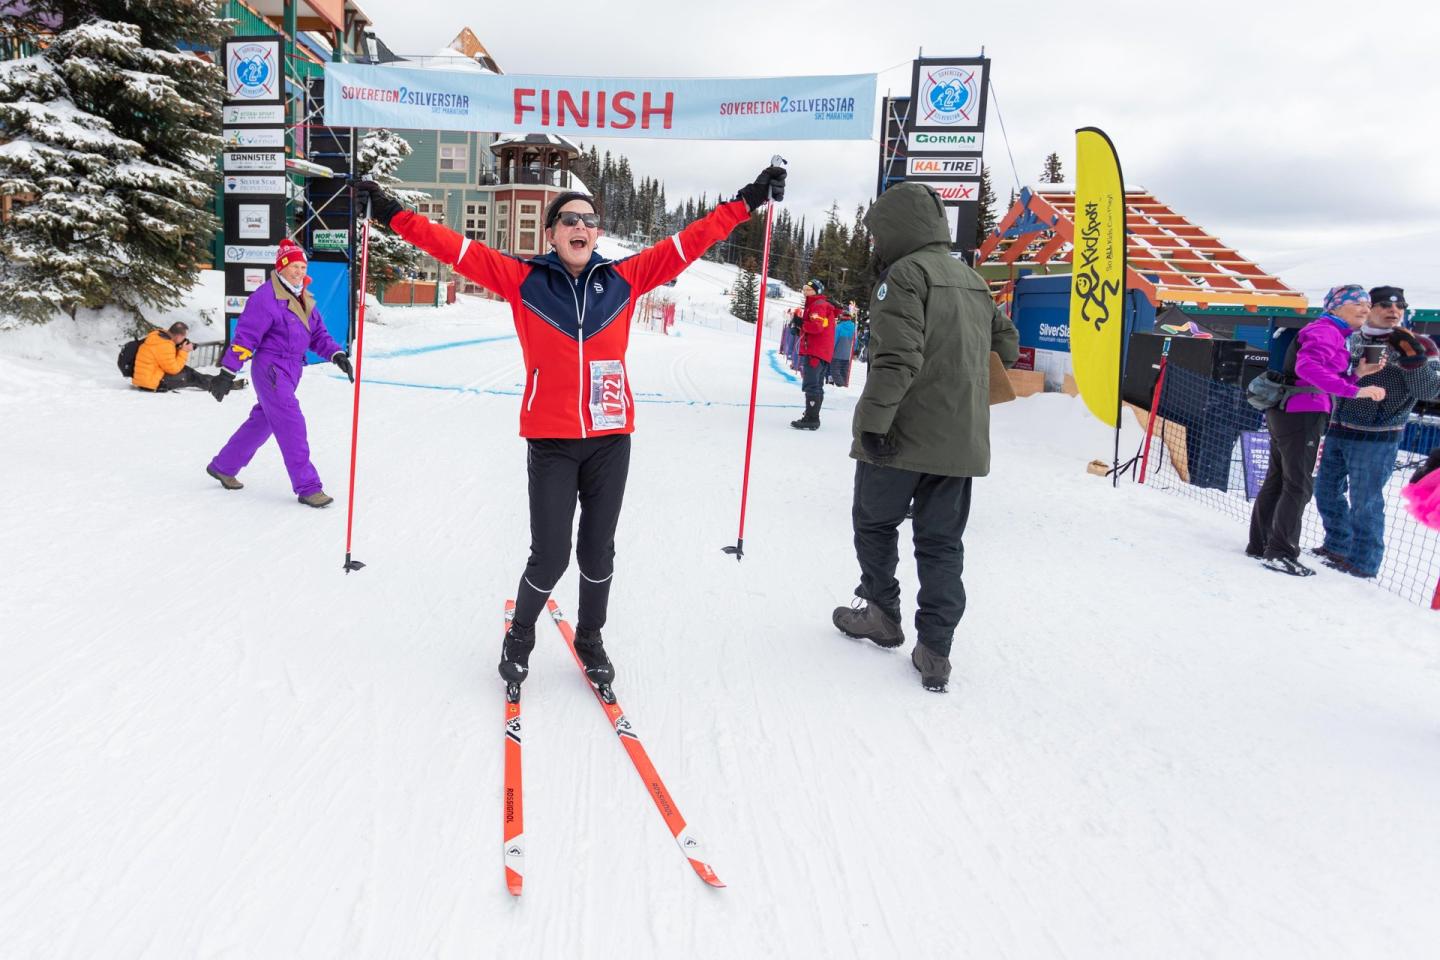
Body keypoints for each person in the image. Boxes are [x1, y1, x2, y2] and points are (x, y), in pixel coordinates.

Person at [358, 165, 787, 688]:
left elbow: (687, 244)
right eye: (568, 219)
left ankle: (590, 636)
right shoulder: (524, 280)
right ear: (552, 233)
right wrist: (390, 212)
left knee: (597, 549)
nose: (579, 226)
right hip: (553, 440)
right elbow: (455, 249)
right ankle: (520, 636)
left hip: (610, 440)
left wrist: (746, 202)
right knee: (552, 552)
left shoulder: (624, 279)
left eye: (588, 219)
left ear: (596, 234)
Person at [829, 182, 1019, 694]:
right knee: (941, 544)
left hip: (901, 436)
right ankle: (936, 650)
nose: (874, 245)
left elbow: (897, 359)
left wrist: (871, 425)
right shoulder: (973, 280)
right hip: (959, 444)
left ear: (898, 228)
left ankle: (882, 614)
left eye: (878, 234)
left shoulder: (904, 276)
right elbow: (1008, 345)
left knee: (873, 523)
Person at [1246, 285, 1386, 576]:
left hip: (1291, 411)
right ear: (1335, 307)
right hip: (1301, 413)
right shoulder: (1325, 331)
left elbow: (1319, 372)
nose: (1365, 308)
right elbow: (1308, 369)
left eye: (1367, 304)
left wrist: (1357, 374)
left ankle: (1261, 544)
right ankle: (1280, 552)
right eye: (1357, 302)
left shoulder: (1334, 333)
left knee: (1279, 478)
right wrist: (1354, 390)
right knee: (1297, 484)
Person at [204, 239, 353, 507]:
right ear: (281, 267)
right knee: (291, 423)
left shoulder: (303, 297)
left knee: (263, 421)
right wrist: (227, 372)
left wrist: (336, 354)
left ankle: (224, 466)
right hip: (271, 369)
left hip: (292, 368)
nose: (298, 271)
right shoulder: (265, 297)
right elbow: (245, 338)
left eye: (302, 266)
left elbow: (317, 335)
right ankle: (308, 487)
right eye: (293, 265)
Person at [1313, 286, 1440, 577]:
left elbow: (1430, 391)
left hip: (1378, 437)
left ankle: (1363, 563)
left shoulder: (1420, 344)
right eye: (1384, 305)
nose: (1393, 311)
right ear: (1368, 308)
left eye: (1399, 307)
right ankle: (1337, 546)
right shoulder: (1349, 337)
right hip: (1338, 429)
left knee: (1365, 503)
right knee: (1325, 493)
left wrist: (1413, 359)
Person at [789, 279, 837, 430]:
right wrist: (799, 328)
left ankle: (811, 418)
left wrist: (800, 323)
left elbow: (816, 327)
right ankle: (812, 417)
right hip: (821, 351)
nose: (805, 292)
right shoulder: (818, 305)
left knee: (811, 384)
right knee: (816, 384)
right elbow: (817, 327)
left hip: (816, 351)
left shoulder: (818, 305)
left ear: (817, 291)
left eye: (809, 290)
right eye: (804, 289)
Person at [132, 321, 227, 393]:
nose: (183, 340)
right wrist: (184, 351)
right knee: (190, 376)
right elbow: (174, 369)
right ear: (177, 336)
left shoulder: (158, 336)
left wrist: (178, 348)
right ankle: (219, 386)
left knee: (187, 371)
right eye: (183, 337)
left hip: (146, 378)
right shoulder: (165, 345)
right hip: (152, 383)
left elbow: (167, 361)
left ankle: (218, 381)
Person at [830, 304, 857, 387]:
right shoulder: (853, 327)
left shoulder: (839, 327)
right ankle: (844, 387)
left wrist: (830, 351)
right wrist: (853, 351)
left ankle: (841, 386)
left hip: (837, 354)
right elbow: (855, 342)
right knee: (844, 372)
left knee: (835, 371)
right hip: (847, 355)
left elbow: (834, 340)